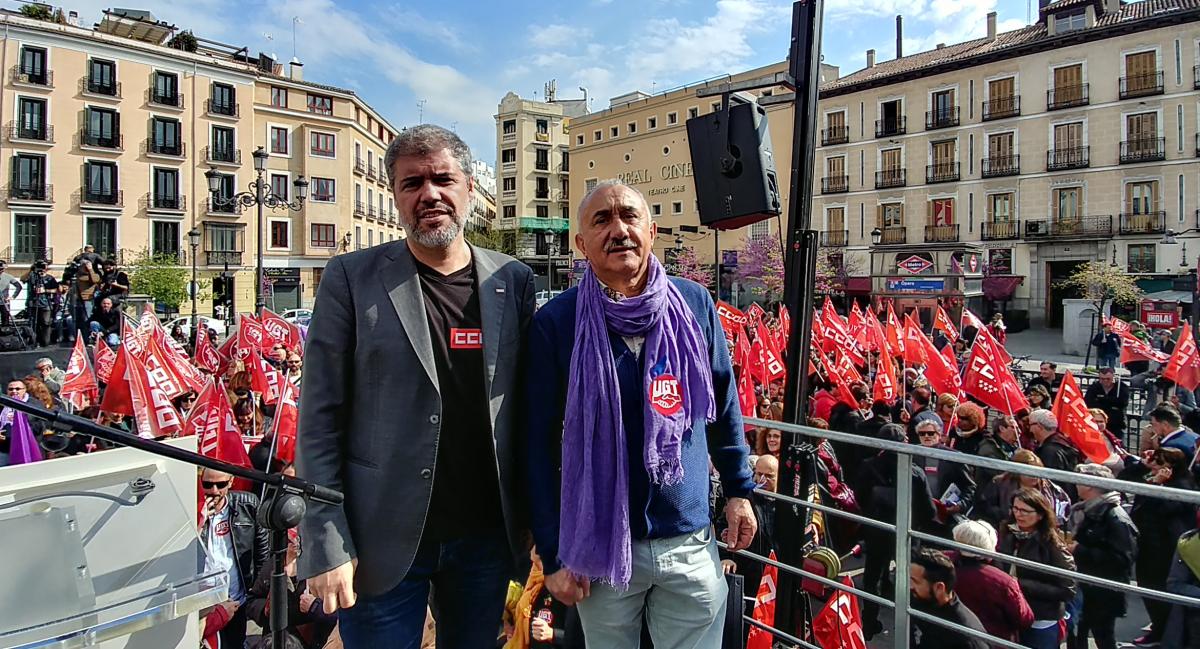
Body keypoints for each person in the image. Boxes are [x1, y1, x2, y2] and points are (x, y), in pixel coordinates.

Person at [296, 125, 537, 649]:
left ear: (469, 189)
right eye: (412, 184)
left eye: (442, 179)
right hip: (380, 539)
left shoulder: (513, 281)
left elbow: (528, 411)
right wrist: (325, 540)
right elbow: (318, 416)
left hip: (485, 539)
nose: (429, 193)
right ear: (396, 197)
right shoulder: (349, 277)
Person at [523, 179, 756, 648]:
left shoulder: (694, 305)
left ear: (651, 230)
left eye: (629, 217)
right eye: (601, 220)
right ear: (581, 243)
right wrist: (553, 555)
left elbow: (723, 405)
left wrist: (738, 490)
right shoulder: (556, 324)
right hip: (600, 550)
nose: (619, 230)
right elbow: (536, 445)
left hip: (689, 542)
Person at [851, 423, 936, 639]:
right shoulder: (915, 471)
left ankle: (869, 622)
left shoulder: (867, 466)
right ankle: (910, 629)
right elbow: (929, 509)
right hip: (906, 532)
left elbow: (859, 496)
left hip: (877, 530)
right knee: (910, 579)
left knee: (873, 578)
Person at [1130, 447, 1198, 646]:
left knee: (1160, 592)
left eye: (1159, 463)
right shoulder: (1153, 481)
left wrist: (1156, 487)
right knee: (1148, 589)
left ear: (1171, 467)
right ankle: (1158, 627)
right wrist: (1151, 481)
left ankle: (1162, 631)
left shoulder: (1182, 487)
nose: (1154, 467)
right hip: (1148, 546)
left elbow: (1163, 510)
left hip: (1165, 549)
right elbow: (1137, 508)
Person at [1066, 463, 1138, 649]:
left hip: (1104, 590)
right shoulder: (1088, 510)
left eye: (1079, 479)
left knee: (1103, 636)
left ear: (1090, 485)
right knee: (1078, 630)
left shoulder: (1116, 517)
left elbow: (1123, 558)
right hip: (1087, 585)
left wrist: (1079, 550)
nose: (1075, 483)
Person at [996, 488, 1077, 649]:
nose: (1019, 514)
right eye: (1015, 508)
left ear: (1040, 515)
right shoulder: (1008, 534)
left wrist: (1021, 585)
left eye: (1025, 511)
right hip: (1012, 615)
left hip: (1041, 619)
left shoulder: (1053, 545)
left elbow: (1068, 589)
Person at [199, 467, 270, 649]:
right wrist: (200, 520)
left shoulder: (247, 504)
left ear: (230, 482)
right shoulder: (195, 509)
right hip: (205, 602)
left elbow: (263, 550)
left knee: (235, 643)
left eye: (220, 484)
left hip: (236, 598)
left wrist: (256, 590)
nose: (214, 490)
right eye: (208, 484)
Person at [949, 519, 1034, 643]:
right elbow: (1025, 619)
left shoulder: (941, 563)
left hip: (950, 636)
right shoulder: (1003, 582)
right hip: (993, 641)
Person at [908, 547, 990, 649]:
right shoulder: (924, 600)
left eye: (915, 581)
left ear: (939, 588)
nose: (910, 586)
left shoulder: (965, 638)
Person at [975, 449, 1071, 529]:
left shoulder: (1052, 489)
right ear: (1017, 472)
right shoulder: (1000, 483)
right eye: (1029, 472)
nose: (1034, 476)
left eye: (1038, 472)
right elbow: (985, 508)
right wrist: (1006, 515)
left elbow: (1063, 512)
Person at [913, 419, 975, 536]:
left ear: (939, 435)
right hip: (919, 514)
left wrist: (960, 505)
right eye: (922, 433)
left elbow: (970, 486)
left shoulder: (954, 456)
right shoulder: (912, 454)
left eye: (931, 433)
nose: (926, 436)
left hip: (946, 516)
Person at [1028, 408, 1082, 477]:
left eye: (1030, 425)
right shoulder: (1065, 442)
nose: (1030, 430)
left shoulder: (1049, 451)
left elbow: (1051, 480)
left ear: (1039, 426)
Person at [1084, 366, 1131, 440]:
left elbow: (1123, 403)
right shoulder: (1094, 387)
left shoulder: (1121, 387)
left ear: (1113, 377)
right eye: (1102, 379)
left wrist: (1101, 399)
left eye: (1108, 379)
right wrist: (1111, 403)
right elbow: (1088, 403)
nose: (1105, 381)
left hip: (1116, 424)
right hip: (1097, 424)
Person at [974, 414, 1021, 485]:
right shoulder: (988, 448)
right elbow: (999, 473)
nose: (1019, 431)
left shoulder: (1015, 448)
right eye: (1014, 428)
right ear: (1002, 428)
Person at [22, 260, 58, 347]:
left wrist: (45, 290)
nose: (42, 269)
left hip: (45, 303)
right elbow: (22, 279)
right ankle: (34, 341)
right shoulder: (32, 276)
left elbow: (56, 290)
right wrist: (32, 269)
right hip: (33, 303)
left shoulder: (50, 278)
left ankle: (45, 342)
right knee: (34, 323)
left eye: (44, 267)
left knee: (46, 323)